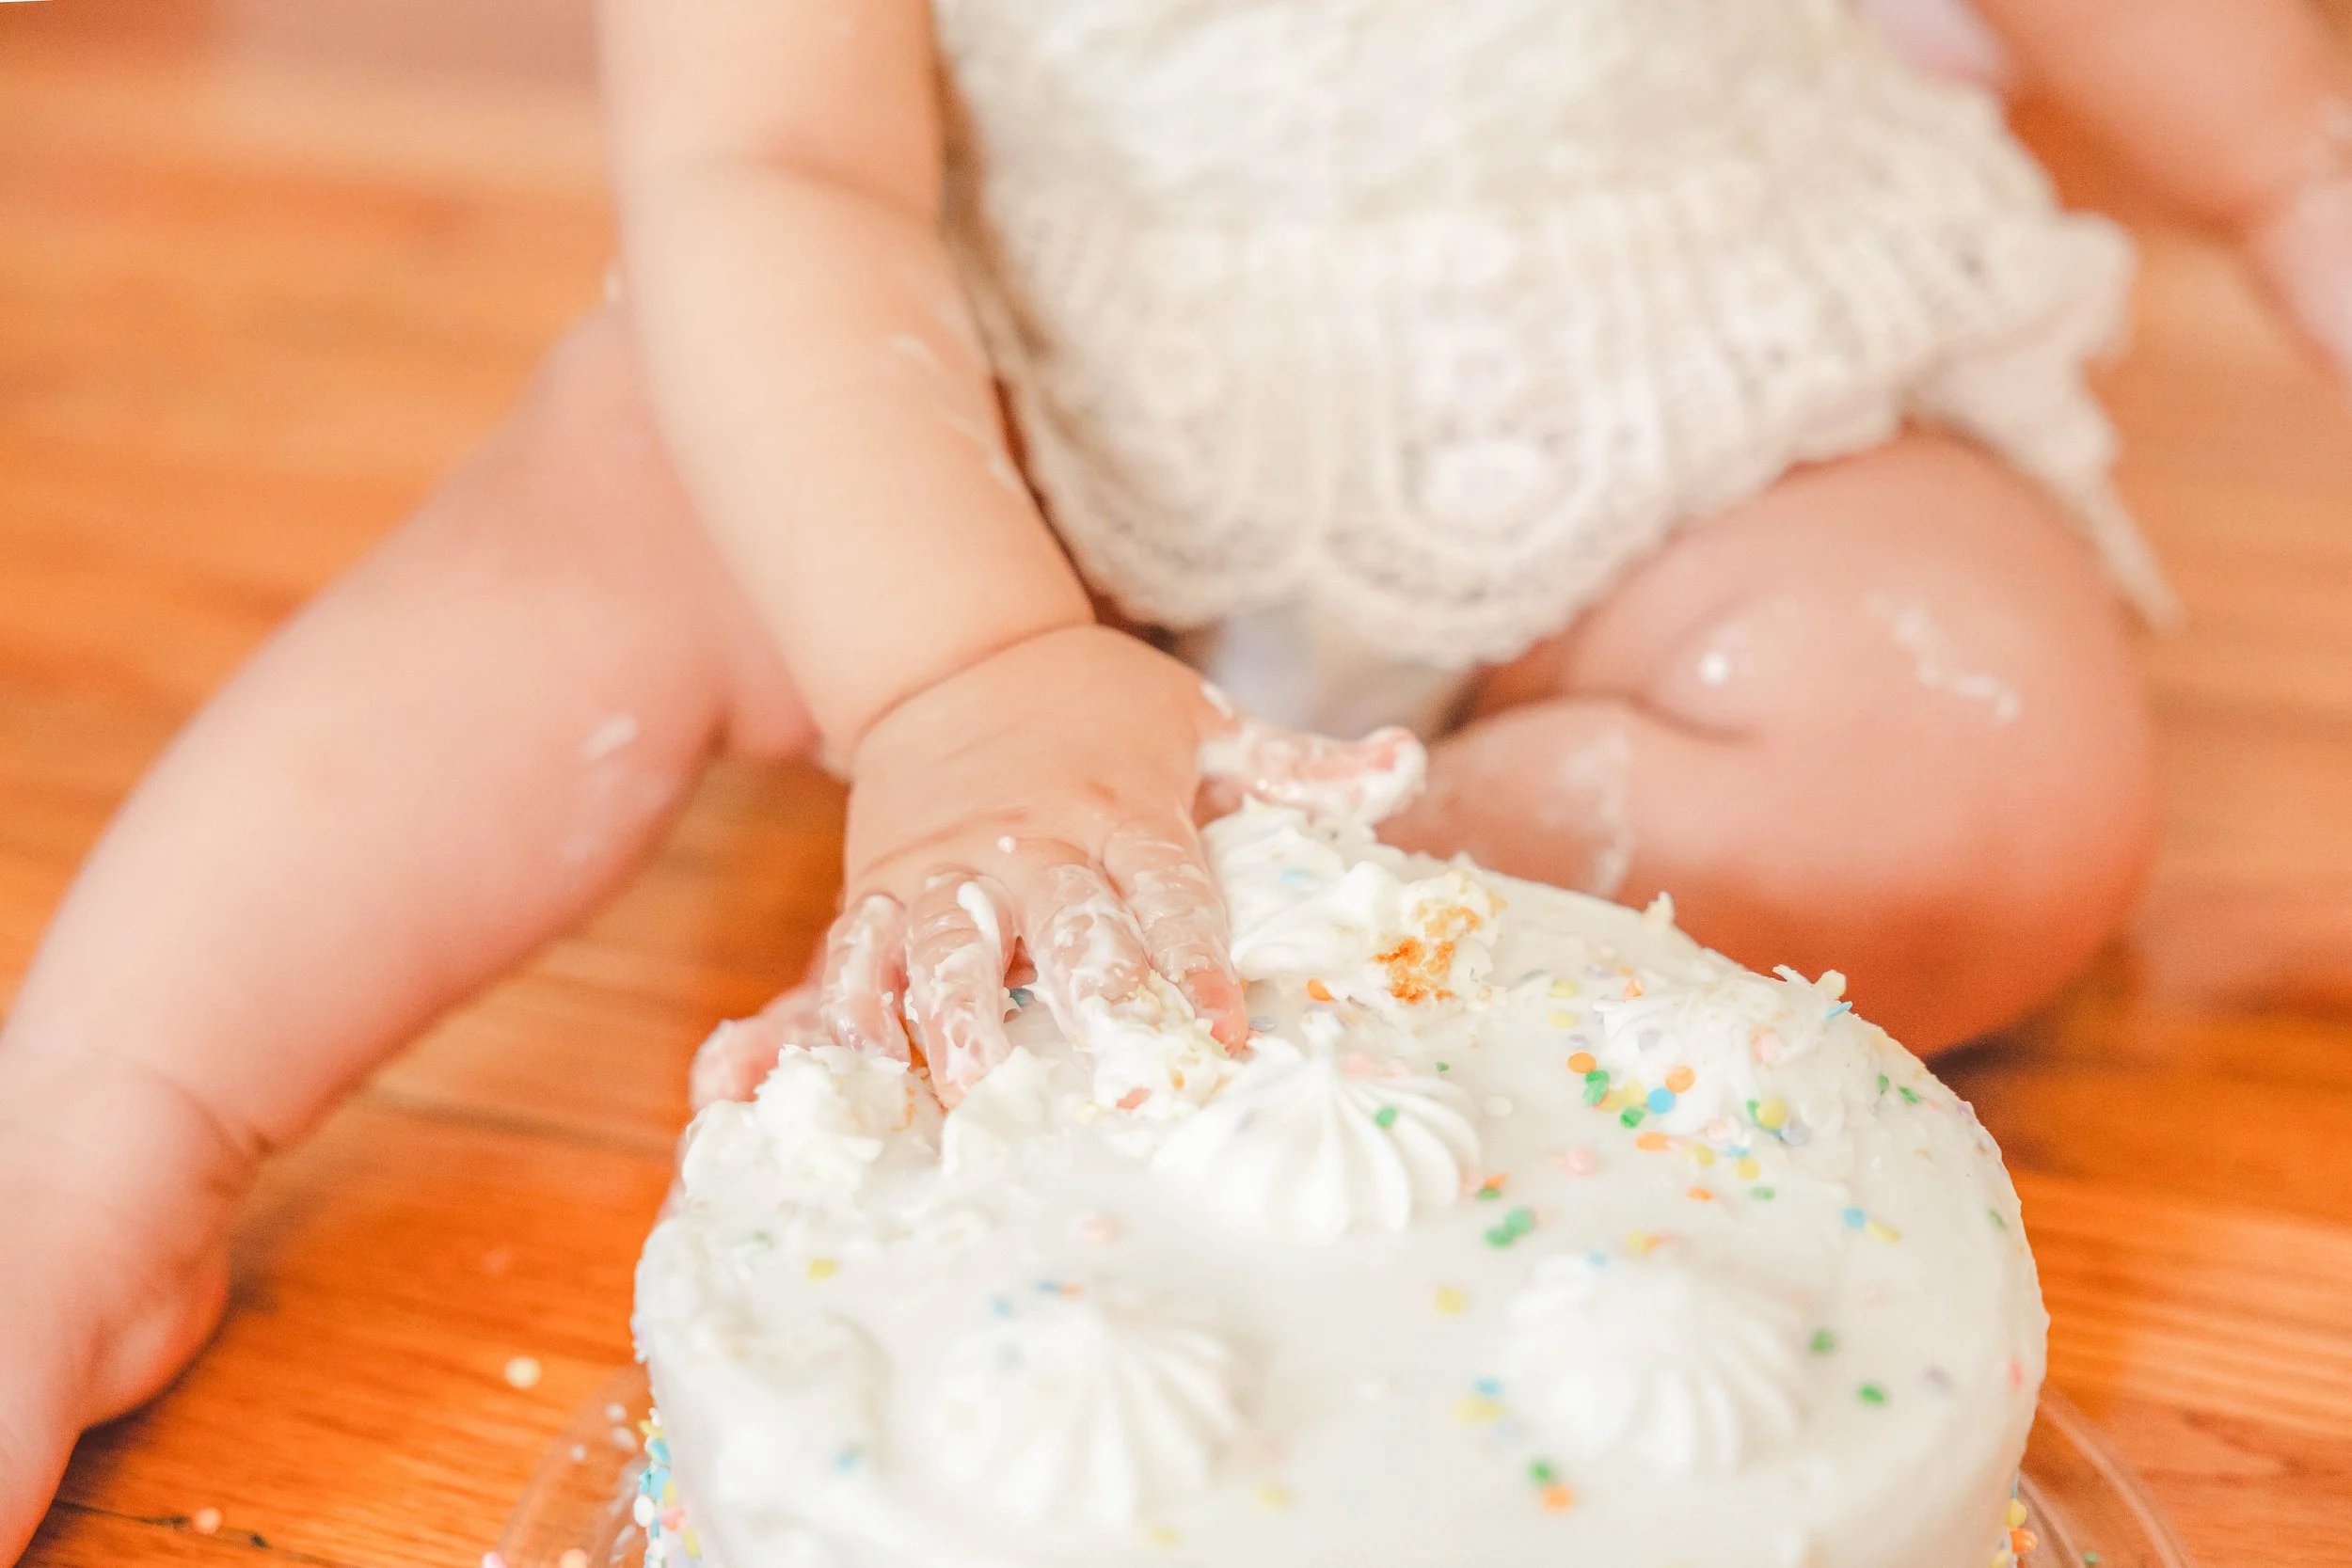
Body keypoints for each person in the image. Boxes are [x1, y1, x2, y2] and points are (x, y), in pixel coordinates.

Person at [3, 0, 2347, 1553]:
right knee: (581, 529)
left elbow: (2206, 74)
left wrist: (2296, 179)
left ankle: (1308, 913)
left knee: (1973, 764)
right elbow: (767, 170)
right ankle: (109, 1110)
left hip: (1678, 380)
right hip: (982, 397)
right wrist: (964, 669)